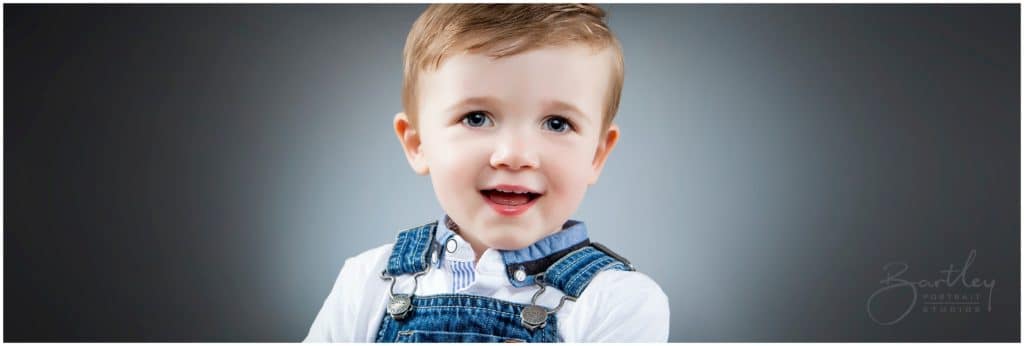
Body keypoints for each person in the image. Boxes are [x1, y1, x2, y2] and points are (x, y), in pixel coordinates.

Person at [304, 4, 670, 342]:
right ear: (417, 144)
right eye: (476, 118)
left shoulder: (619, 302)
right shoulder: (369, 281)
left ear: (597, 154)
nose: (515, 155)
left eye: (557, 123)